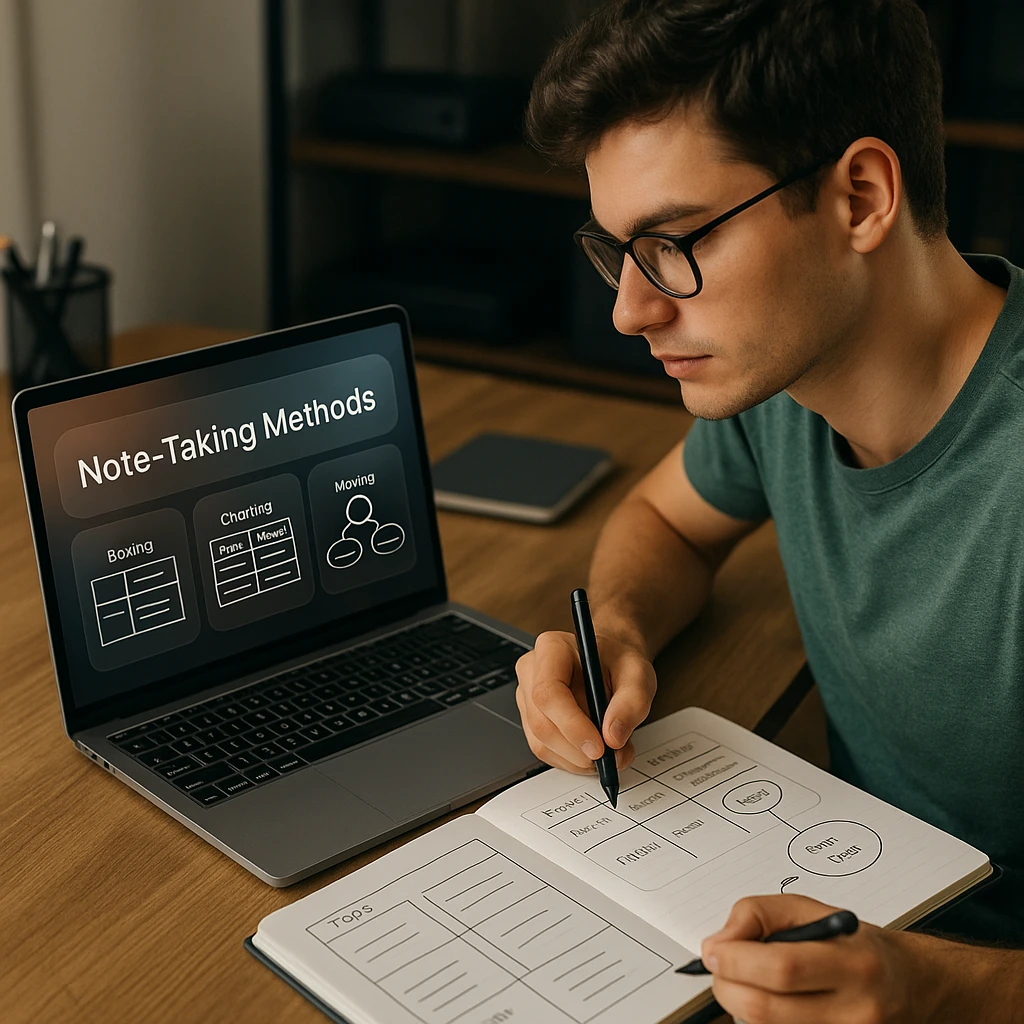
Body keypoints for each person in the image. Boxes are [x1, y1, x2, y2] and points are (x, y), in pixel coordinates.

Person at [512, 0, 1024, 1019]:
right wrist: (617, 625)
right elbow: (662, 523)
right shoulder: (785, 381)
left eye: (672, 241)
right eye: (616, 249)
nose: (629, 309)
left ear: (861, 197)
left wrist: (938, 987)